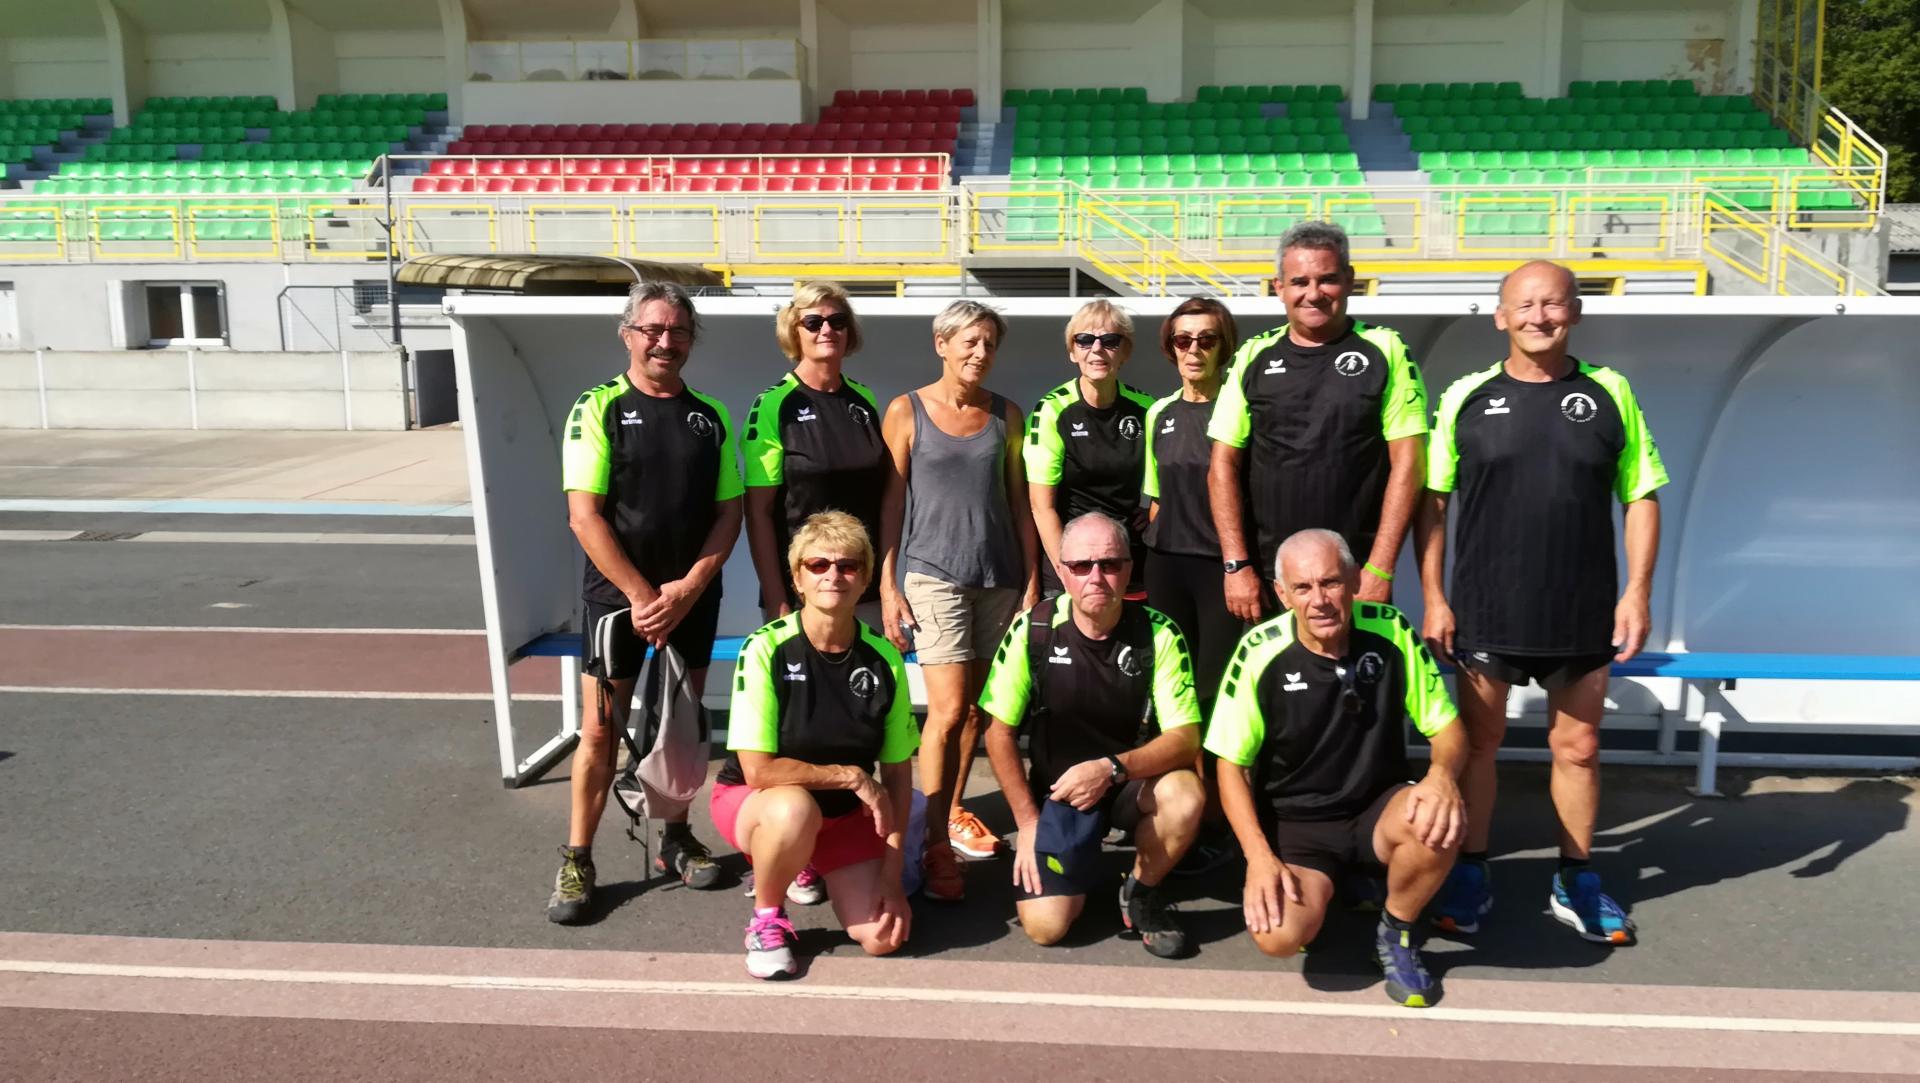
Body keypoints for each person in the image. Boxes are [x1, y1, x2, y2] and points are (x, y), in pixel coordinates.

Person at [1418, 259, 1667, 947]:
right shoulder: (1467, 394)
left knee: (1578, 747)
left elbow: (1641, 495)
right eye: (1523, 305)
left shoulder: (1609, 390)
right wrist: (1434, 595)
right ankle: (1471, 870)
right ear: (1500, 317)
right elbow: (1433, 503)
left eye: (1552, 303)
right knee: (1478, 746)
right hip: (1484, 608)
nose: (1538, 316)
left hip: (1580, 608)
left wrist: (1637, 592)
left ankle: (1576, 877)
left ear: (1575, 313)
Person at [549, 281, 743, 924]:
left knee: (680, 730)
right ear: (628, 334)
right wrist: (641, 595)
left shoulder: (709, 413)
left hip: (689, 602)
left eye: (678, 331)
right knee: (600, 731)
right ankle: (578, 859)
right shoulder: (597, 407)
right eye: (652, 329)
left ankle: (675, 839)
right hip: (616, 605)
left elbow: (729, 512)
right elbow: (585, 517)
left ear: (692, 339)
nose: (666, 341)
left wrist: (685, 590)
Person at [1207, 529, 1466, 1008]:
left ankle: (1397, 931)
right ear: (1281, 594)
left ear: (1353, 581)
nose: (1319, 600)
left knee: (1441, 819)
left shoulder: (1389, 628)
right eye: (1303, 588)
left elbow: (1448, 731)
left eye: (1330, 582)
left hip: (1377, 812)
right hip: (1299, 826)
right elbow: (1230, 766)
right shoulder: (1259, 650)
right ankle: (1335, 887)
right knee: (1278, 936)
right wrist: (1258, 858)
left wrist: (1442, 777)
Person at [980, 512, 1206, 958]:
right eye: (1082, 566)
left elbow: (1185, 738)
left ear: (1129, 569)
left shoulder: (1158, 633)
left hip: (1126, 783)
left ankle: (1141, 889)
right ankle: (1076, 860)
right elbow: (998, 734)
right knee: (1046, 928)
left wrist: (1110, 769)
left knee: (1186, 795)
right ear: (1062, 572)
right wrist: (1027, 823)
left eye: (1110, 564)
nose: (1096, 577)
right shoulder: (1034, 630)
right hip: (1059, 795)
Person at [878, 300, 1038, 902]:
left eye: (989, 344)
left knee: (976, 712)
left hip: (996, 577)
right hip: (932, 575)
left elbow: (1018, 501)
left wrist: (1030, 578)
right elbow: (891, 504)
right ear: (941, 343)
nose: (980, 353)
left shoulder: (1006, 415)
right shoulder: (906, 411)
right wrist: (888, 585)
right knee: (945, 712)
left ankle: (948, 811)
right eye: (969, 341)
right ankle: (930, 842)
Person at [712, 511, 917, 979]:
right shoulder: (766, 648)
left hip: (842, 815)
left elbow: (900, 775)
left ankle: (806, 860)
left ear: (865, 577)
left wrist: (892, 875)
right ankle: (766, 917)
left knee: (885, 937)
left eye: (847, 565)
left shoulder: (884, 656)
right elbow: (758, 772)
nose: (833, 575)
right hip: (758, 802)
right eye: (818, 565)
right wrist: (851, 775)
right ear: (798, 578)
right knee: (794, 811)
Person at [1208, 221, 1428, 625]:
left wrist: (1379, 567)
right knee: (1277, 687)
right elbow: (1222, 465)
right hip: (1273, 579)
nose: (1313, 293)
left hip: (1355, 576)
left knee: (1360, 686)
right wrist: (1236, 566)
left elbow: (1409, 464)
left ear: (1350, 280)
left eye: (1327, 279)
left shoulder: (1386, 349)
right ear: (1279, 287)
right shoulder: (1253, 355)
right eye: (1299, 281)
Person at [743, 281, 888, 626]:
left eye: (838, 322)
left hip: (862, 589)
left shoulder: (864, 400)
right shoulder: (772, 404)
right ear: (794, 331)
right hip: (802, 592)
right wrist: (777, 597)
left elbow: (882, 500)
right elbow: (758, 513)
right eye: (813, 322)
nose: (827, 329)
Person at [1142, 296, 1241, 714]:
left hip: (1221, 569)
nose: (1194, 350)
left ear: (1224, 347)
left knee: (1215, 689)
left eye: (1206, 339)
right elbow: (1155, 498)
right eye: (1183, 340)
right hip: (1167, 567)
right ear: (1171, 348)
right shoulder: (1159, 412)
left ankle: (1218, 779)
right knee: (1172, 687)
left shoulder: (1241, 409)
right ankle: (1174, 778)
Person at [1027, 300, 1155, 598]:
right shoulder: (1051, 410)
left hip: (1128, 561)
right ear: (1072, 351)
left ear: (1125, 352)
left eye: (1110, 340)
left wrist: (1152, 513)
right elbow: (1041, 506)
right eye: (1084, 340)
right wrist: (1068, 570)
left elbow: (1172, 478)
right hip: (1072, 561)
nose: (1097, 349)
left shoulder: (1148, 408)